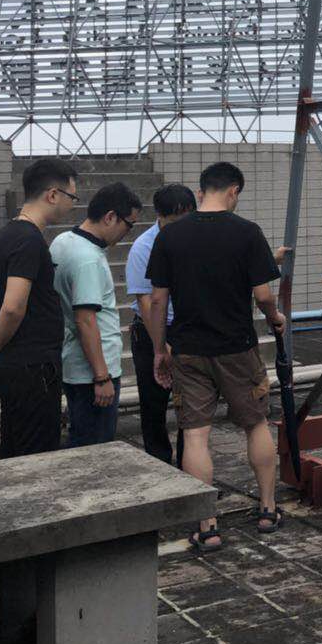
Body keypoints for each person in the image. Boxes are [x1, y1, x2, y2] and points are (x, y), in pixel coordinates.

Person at [146, 161, 287, 553]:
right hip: (237, 348)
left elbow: (157, 301)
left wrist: (159, 349)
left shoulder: (170, 236)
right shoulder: (247, 232)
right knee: (255, 424)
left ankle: (207, 526)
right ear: (233, 191)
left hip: (188, 350)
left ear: (201, 190)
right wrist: (275, 318)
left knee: (195, 435)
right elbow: (263, 296)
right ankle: (267, 509)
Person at [0, 157, 79, 459]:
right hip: (33, 370)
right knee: (35, 456)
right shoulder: (29, 240)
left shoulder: (7, 235)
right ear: (53, 195)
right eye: (72, 197)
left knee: (14, 449)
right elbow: (12, 307)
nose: (72, 205)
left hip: (17, 367)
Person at [51, 182, 142, 448]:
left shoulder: (63, 241)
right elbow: (85, 320)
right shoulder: (87, 259)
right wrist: (102, 377)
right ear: (110, 217)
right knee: (95, 446)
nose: (127, 232)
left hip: (74, 364)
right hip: (92, 373)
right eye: (129, 224)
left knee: (81, 437)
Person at [124, 183, 196, 464]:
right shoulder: (144, 247)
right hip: (152, 330)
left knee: (192, 404)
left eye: (185, 220)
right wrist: (160, 345)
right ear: (160, 216)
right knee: (153, 405)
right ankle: (160, 462)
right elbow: (146, 302)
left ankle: (189, 464)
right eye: (173, 222)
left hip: (187, 329)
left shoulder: (196, 239)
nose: (180, 228)